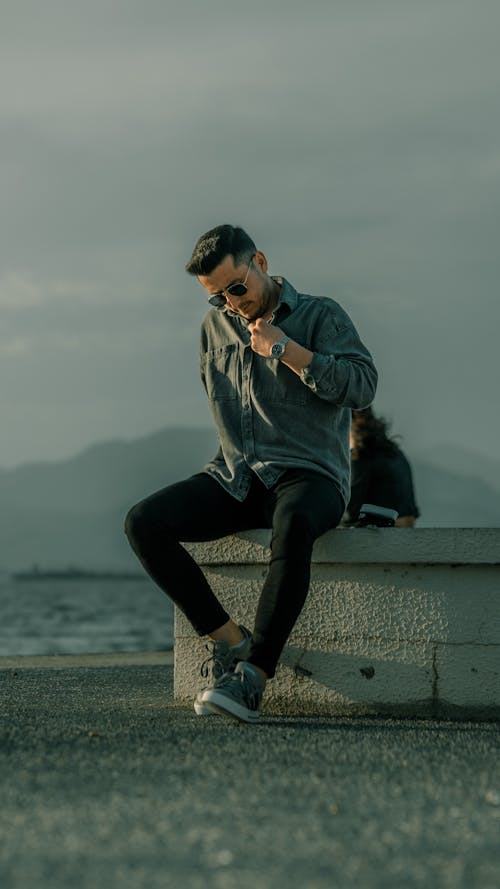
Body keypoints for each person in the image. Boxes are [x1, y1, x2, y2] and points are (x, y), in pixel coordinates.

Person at [125, 224, 378, 723]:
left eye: (236, 287)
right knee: (142, 522)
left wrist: (286, 350)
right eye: (217, 296)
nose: (230, 303)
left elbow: (363, 386)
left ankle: (252, 679)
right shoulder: (213, 327)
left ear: (260, 261)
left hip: (312, 475)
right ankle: (231, 641)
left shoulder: (320, 314)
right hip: (238, 475)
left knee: (294, 525)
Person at [346, 407, 420, 527]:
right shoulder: (394, 452)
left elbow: (352, 508)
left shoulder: (362, 453)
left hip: (385, 533)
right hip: (406, 531)